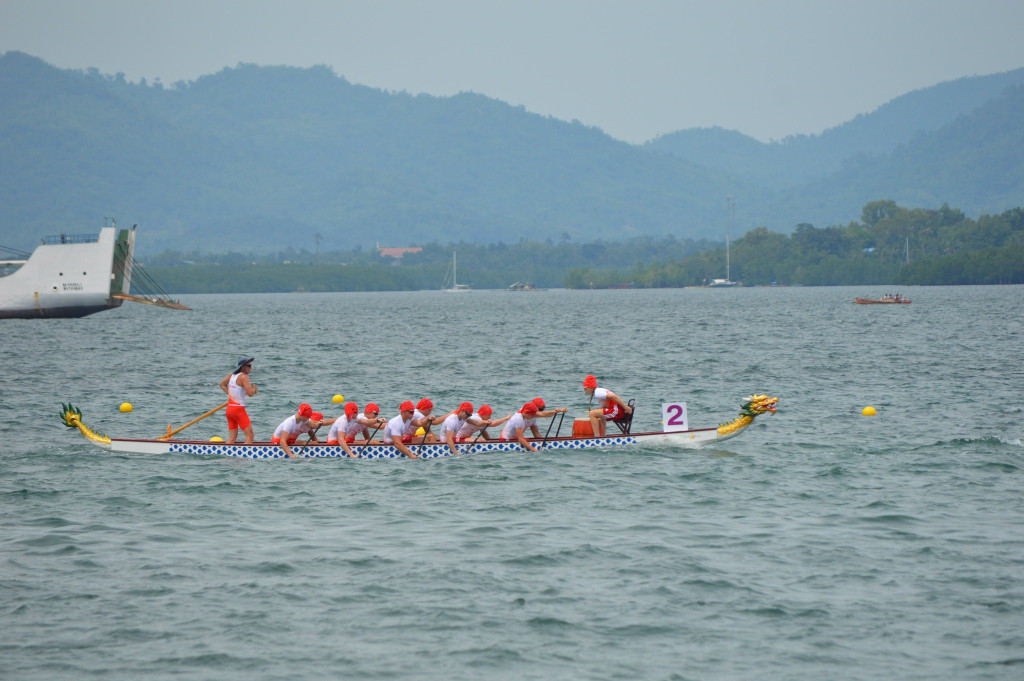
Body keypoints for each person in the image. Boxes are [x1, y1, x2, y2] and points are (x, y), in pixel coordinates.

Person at [218, 356, 258, 444]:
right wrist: (254, 389)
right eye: (249, 366)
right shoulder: (244, 377)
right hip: (238, 410)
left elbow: (222, 384)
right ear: (243, 367)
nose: (251, 368)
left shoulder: (232, 375)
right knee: (250, 436)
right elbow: (251, 394)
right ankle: (245, 456)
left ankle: (227, 455)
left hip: (230, 410)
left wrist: (231, 395)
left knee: (232, 437)